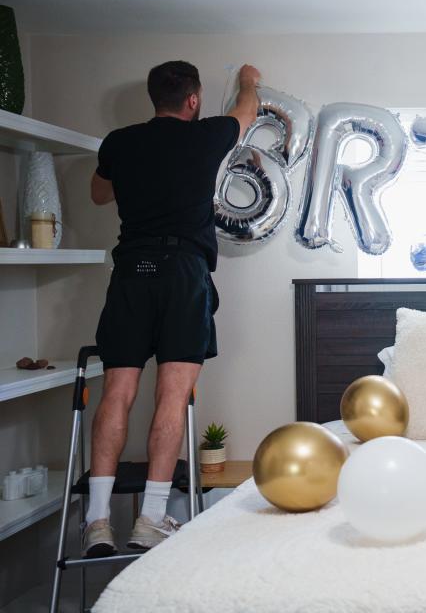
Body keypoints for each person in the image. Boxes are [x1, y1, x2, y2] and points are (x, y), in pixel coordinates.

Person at [83, 61, 261, 557]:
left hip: (131, 273)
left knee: (116, 392)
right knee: (171, 396)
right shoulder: (207, 136)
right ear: (193, 100)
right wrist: (247, 80)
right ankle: (150, 519)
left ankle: (97, 521)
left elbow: (98, 194)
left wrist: (136, 178)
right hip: (183, 273)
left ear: (152, 97)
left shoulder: (119, 142)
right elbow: (246, 111)